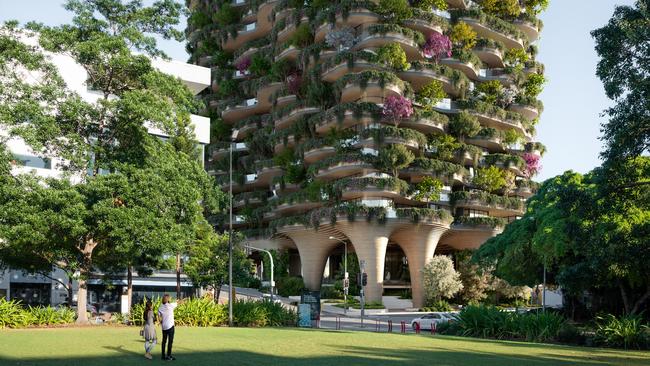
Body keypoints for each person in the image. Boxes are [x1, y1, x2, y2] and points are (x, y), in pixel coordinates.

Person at [158, 294, 177, 361]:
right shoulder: (171, 305)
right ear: (168, 299)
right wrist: (184, 300)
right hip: (170, 326)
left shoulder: (160, 307)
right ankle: (169, 356)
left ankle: (163, 356)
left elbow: (159, 318)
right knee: (170, 342)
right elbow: (179, 302)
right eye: (169, 298)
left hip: (164, 327)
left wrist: (161, 322)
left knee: (164, 341)